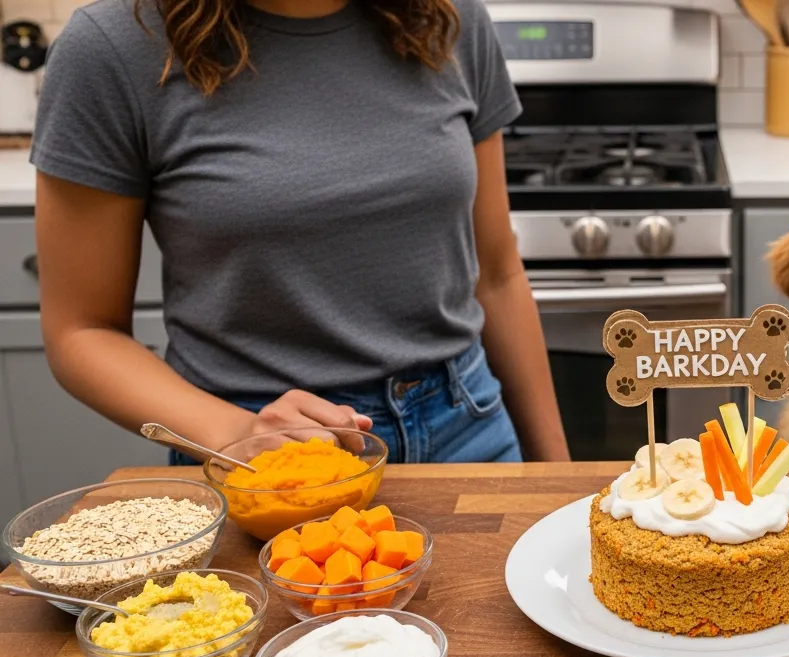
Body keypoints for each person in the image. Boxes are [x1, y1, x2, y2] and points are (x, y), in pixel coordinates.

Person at [31, 0, 569, 464]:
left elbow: (497, 275)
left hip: (468, 427)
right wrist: (238, 435)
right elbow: (82, 331)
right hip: (265, 456)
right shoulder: (113, 47)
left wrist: (559, 480)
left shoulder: (447, 18)